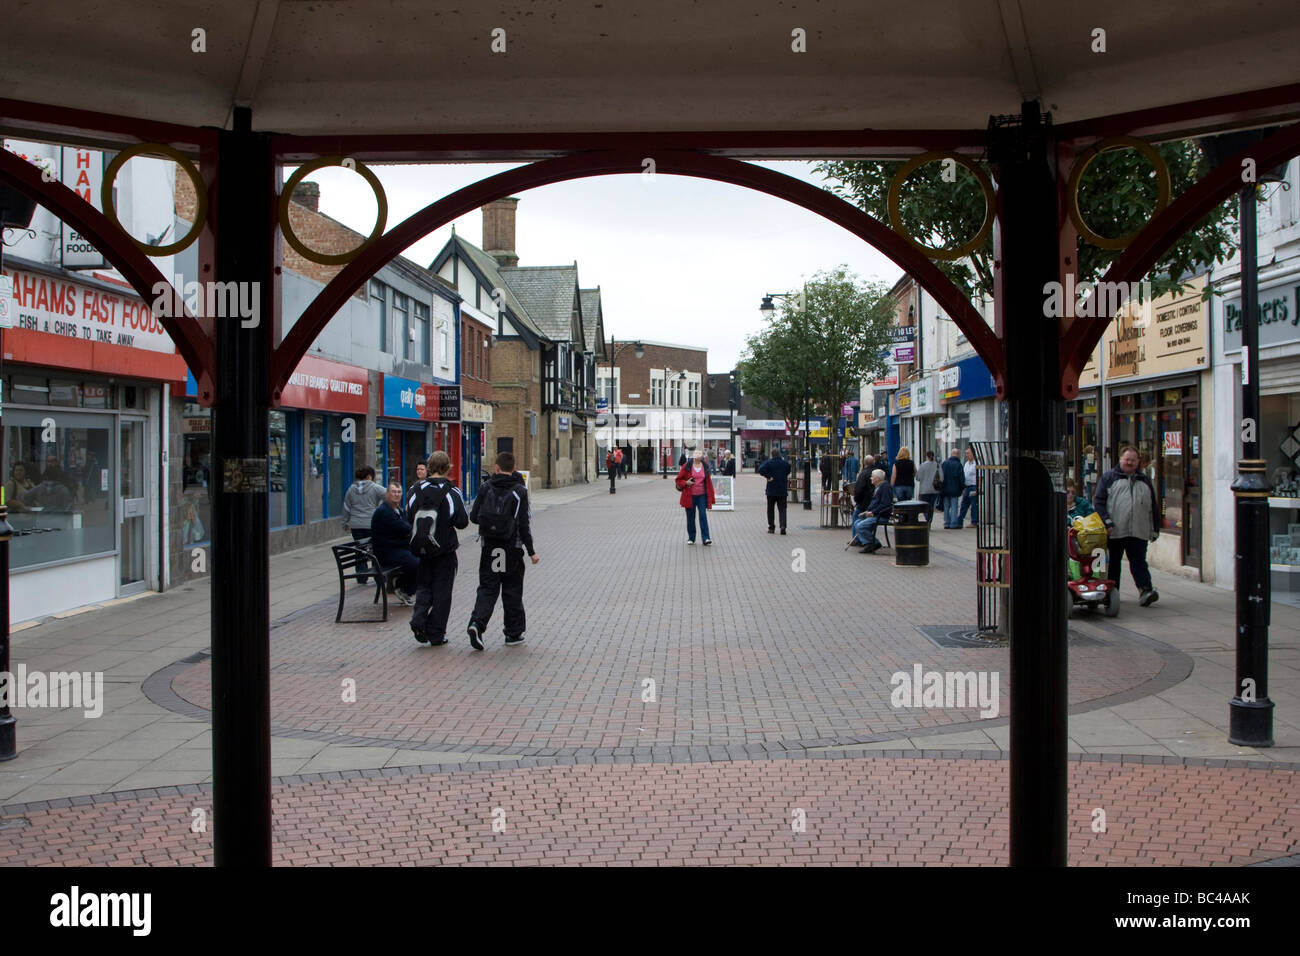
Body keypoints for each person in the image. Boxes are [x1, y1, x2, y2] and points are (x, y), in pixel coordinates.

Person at [467, 451, 538, 649]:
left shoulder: (485, 487)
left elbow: (473, 517)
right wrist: (531, 551)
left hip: (489, 547)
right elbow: (524, 524)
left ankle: (477, 623)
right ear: (513, 469)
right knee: (512, 590)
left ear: (496, 468)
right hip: (512, 547)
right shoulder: (519, 491)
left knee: (488, 588)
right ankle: (513, 633)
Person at [407, 452, 469, 643]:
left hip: (422, 549)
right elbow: (462, 522)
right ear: (447, 467)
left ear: (429, 466)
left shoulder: (414, 489)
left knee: (424, 586)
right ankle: (435, 633)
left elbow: (408, 517)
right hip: (445, 550)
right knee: (442, 593)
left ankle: (418, 619)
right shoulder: (452, 492)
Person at [1093, 445, 1160, 607]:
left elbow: (1153, 507)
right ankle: (1112, 593)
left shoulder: (1144, 480)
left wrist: (1155, 529)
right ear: (1120, 460)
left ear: (1138, 462)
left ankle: (1145, 590)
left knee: (1138, 562)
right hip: (1115, 530)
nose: (1130, 463)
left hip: (1138, 530)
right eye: (1127, 459)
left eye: (1133, 460)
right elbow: (1099, 502)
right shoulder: (1109, 478)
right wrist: (1107, 522)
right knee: (1114, 563)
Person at [371, 482, 419, 605]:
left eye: (399, 492)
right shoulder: (384, 511)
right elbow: (406, 528)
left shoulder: (398, 510)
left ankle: (405, 588)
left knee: (422, 557)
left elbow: (407, 527)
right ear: (387, 494)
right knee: (415, 562)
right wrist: (407, 531)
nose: (396, 495)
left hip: (397, 548)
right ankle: (402, 587)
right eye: (393, 492)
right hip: (386, 553)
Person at [342, 465, 386, 585]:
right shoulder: (375, 487)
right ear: (369, 476)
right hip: (372, 523)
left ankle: (361, 576)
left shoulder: (351, 489)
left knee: (360, 549)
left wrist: (345, 523)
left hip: (356, 525)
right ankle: (378, 576)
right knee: (375, 549)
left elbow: (346, 507)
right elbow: (389, 496)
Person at [676, 448, 716, 545]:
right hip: (690, 496)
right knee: (690, 517)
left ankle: (706, 538)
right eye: (696, 453)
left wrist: (711, 496)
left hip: (702, 495)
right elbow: (678, 480)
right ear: (693, 455)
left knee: (703, 515)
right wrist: (686, 482)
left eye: (700, 453)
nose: (698, 455)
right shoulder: (687, 466)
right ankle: (691, 538)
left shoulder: (705, 466)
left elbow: (709, 482)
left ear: (702, 456)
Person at [852, 469, 895, 554]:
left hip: (880, 515)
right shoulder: (879, 487)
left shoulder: (885, 488)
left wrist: (873, 512)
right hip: (875, 514)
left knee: (860, 525)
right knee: (857, 523)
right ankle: (869, 543)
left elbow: (885, 504)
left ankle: (873, 543)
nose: (871, 478)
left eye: (872, 477)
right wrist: (867, 512)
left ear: (878, 478)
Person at [757, 448, 791, 534]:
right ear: (779, 454)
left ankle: (771, 527)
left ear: (772, 455)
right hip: (782, 489)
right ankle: (783, 526)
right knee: (782, 509)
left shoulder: (769, 462)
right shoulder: (784, 463)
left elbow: (760, 469)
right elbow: (788, 470)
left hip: (771, 490)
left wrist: (768, 476)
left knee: (770, 509)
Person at [940, 448, 965, 528]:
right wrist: (962, 487)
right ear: (957, 454)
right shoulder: (958, 464)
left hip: (945, 489)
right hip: (955, 489)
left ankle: (947, 523)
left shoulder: (945, 463)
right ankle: (953, 523)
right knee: (954, 506)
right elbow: (961, 478)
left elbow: (941, 476)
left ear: (951, 454)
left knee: (946, 506)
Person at [956, 446, 979, 527]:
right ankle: (959, 522)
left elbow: (980, 476)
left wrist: (978, 488)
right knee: (964, 504)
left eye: (968, 453)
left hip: (974, 486)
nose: (966, 455)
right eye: (966, 453)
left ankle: (974, 522)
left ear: (973, 454)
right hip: (967, 486)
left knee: (973, 505)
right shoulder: (966, 464)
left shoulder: (977, 463)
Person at [916, 450, 939, 524]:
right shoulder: (937, 465)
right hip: (934, 489)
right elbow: (941, 476)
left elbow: (918, 478)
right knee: (931, 505)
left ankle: (927, 517)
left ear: (927, 456)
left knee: (924, 505)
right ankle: (929, 519)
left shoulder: (923, 465)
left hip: (924, 489)